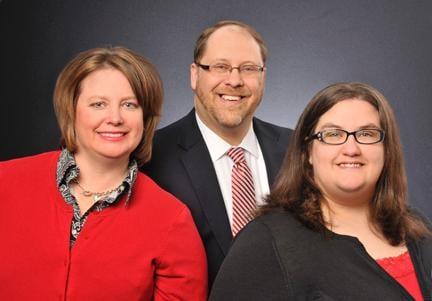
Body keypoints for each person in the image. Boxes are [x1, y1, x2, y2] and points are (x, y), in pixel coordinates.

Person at [0, 47, 207, 300]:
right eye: (98, 104)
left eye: (129, 105)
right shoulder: (5, 184)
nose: (115, 118)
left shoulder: (173, 221)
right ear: (71, 110)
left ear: (145, 117)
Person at [209, 82, 432, 300]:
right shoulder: (267, 242)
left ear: (386, 149)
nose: (351, 149)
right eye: (333, 135)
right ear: (307, 151)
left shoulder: (417, 229)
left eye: (367, 134)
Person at [142, 20, 292, 287]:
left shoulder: (298, 149)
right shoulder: (150, 157)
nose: (234, 81)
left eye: (248, 68)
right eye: (220, 66)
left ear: (263, 77)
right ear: (195, 74)